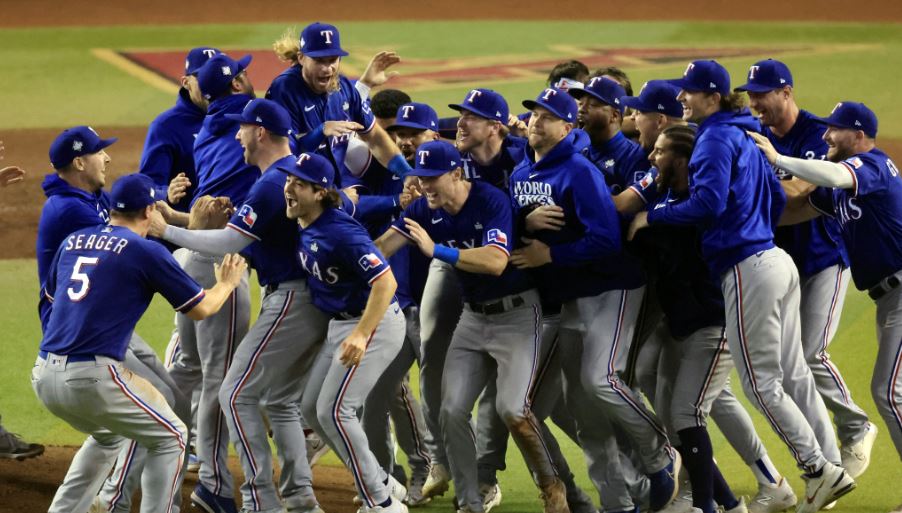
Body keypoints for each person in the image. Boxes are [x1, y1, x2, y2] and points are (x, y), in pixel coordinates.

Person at [630, 60, 853, 513]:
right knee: (785, 374)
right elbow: (773, 199)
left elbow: (708, 202)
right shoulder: (749, 136)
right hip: (775, 260)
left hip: (748, 267)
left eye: (690, 92)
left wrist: (651, 215)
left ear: (712, 98)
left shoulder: (714, 136)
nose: (682, 100)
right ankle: (821, 469)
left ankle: (819, 469)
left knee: (760, 383)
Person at [153, 98, 328, 513]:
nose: (237, 135)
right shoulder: (299, 169)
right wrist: (183, 221)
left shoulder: (273, 182)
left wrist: (166, 230)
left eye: (243, 128)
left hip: (292, 297)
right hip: (311, 295)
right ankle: (300, 497)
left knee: (235, 394)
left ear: (261, 132)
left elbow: (232, 241)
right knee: (280, 402)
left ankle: (258, 501)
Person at [375, 140, 569, 513]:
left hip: (517, 316)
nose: (426, 185)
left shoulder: (490, 201)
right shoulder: (423, 209)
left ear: (456, 174)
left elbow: (496, 261)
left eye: (433, 178)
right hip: (473, 317)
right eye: (421, 177)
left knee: (513, 409)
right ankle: (469, 503)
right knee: (451, 410)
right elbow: (382, 247)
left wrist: (439, 251)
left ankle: (551, 481)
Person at [34, 173, 246, 513]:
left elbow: (48, 299)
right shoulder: (144, 250)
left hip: (44, 373)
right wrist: (226, 283)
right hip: (93, 376)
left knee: (109, 436)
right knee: (172, 437)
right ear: (150, 212)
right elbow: (203, 308)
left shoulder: (74, 240)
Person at [510, 87, 678, 513]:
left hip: (613, 288)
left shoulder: (579, 172)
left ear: (569, 127)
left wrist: (551, 254)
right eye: (534, 114)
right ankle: (618, 503)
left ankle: (660, 454)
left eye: (548, 117)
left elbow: (606, 238)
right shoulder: (519, 175)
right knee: (586, 416)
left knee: (601, 379)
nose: (536, 122)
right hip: (568, 299)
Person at [748, 101, 902, 498]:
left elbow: (834, 175)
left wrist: (779, 158)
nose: (826, 136)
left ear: (859, 135)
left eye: (835, 130)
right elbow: (795, 210)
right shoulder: (842, 187)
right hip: (888, 297)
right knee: (889, 390)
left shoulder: (873, 167)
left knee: (888, 391)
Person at [735, 59, 876, 481]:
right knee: (786, 365)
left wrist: (747, 203)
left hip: (824, 260)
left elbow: (801, 192)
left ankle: (856, 426)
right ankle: (825, 459)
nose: (756, 101)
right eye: (751, 93)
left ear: (787, 92)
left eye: (763, 93)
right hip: (780, 266)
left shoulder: (816, 134)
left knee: (812, 352)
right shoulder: (750, 132)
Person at [282, 152, 408, 513]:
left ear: (320, 192)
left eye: (298, 184)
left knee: (337, 411)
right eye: (288, 180)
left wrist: (361, 334)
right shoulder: (304, 218)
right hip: (342, 324)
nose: (288, 188)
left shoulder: (342, 233)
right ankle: (381, 481)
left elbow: (385, 282)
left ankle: (381, 502)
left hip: (375, 324)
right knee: (312, 407)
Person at [632, 126, 748, 513]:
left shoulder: (698, 210)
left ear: (682, 160)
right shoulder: (670, 199)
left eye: (661, 152)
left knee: (686, 412)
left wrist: (651, 220)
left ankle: (705, 507)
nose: (651, 156)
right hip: (681, 326)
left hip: (713, 325)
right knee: (674, 417)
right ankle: (729, 503)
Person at [164, 51, 257, 513]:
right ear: (236, 86)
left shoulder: (211, 124)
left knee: (186, 370)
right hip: (221, 265)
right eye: (242, 73)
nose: (248, 77)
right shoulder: (245, 119)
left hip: (189, 261)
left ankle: (159, 452)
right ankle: (215, 484)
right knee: (218, 378)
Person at [267, 22, 412, 185]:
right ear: (301, 58)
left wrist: (407, 174)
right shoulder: (285, 90)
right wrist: (321, 131)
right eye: (319, 60)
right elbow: (283, 156)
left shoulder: (343, 87)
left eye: (332, 60)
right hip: (296, 188)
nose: (327, 68)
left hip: (333, 186)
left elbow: (375, 137)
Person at [140, 46, 220, 212]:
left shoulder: (237, 117)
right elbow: (147, 187)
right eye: (203, 77)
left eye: (216, 77)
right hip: (186, 229)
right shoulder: (166, 127)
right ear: (186, 82)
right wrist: (166, 194)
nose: (211, 85)